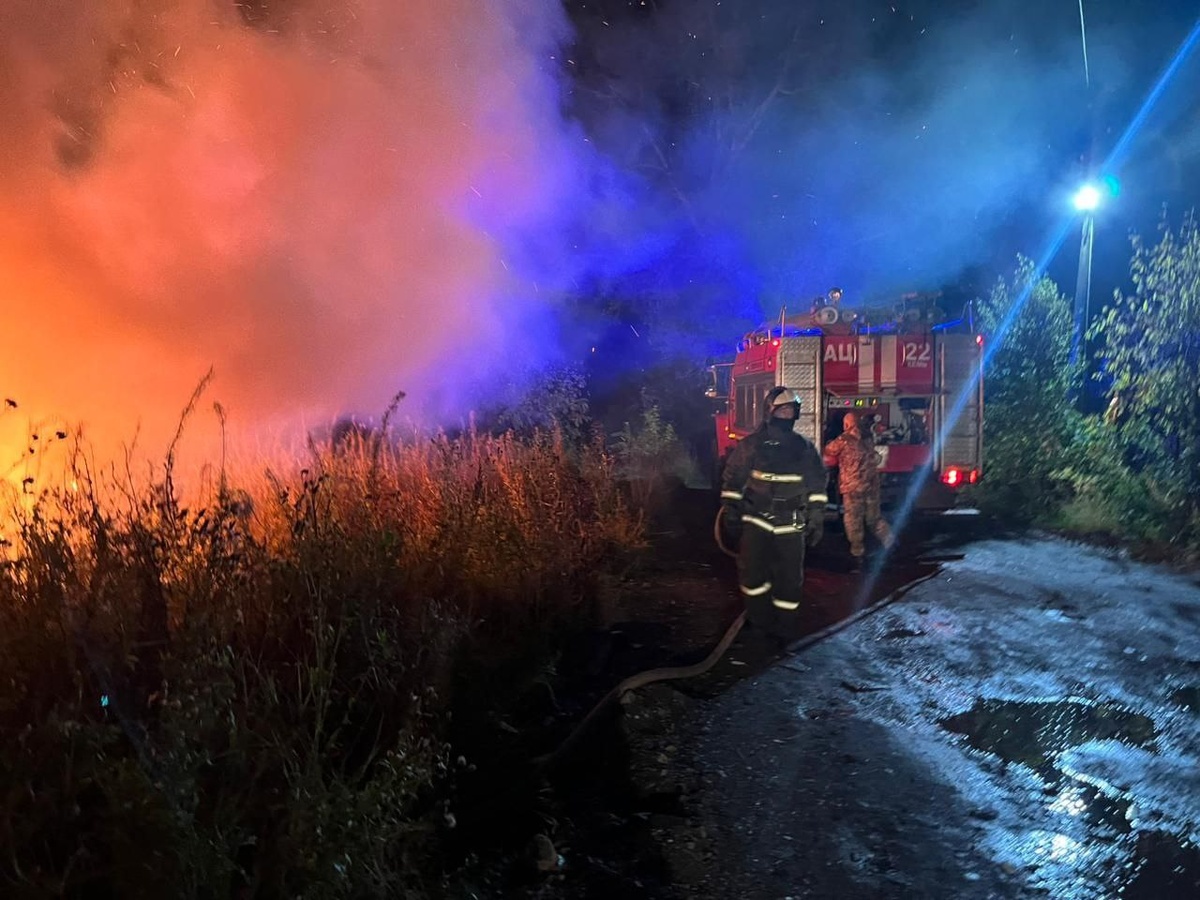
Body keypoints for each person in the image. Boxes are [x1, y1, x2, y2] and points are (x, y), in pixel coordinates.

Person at [720, 387, 828, 636]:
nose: (787, 413)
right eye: (782, 409)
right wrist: (731, 511)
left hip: (790, 523)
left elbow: (817, 483)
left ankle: (786, 628)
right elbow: (733, 479)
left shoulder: (803, 447)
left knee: (790, 582)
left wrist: (816, 517)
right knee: (752, 576)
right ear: (770, 411)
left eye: (791, 409)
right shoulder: (751, 445)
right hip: (756, 520)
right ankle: (759, 622)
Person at [824, 412, 895, 567]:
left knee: (853, 521)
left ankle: (858, 555)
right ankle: (890, 543)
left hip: (852, 488)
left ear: (846, 425)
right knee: (874, 519)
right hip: (871, 486)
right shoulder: (868, 438)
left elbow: (829, 450)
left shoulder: (843, 440)